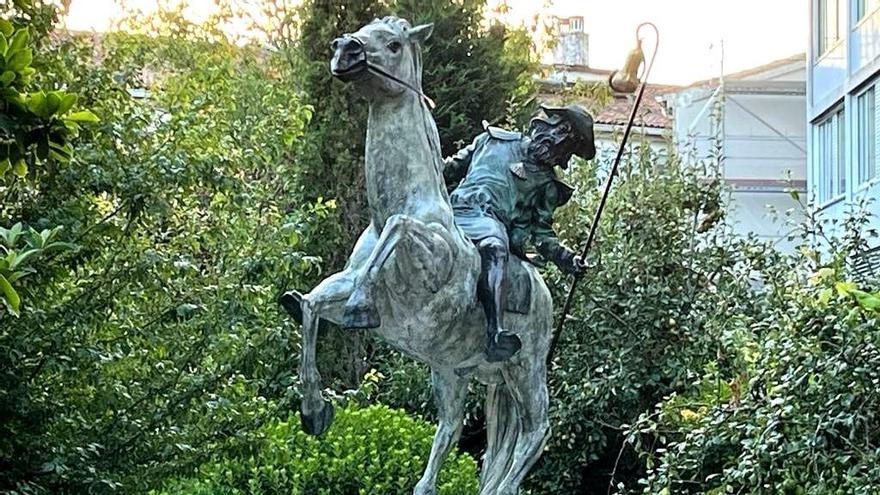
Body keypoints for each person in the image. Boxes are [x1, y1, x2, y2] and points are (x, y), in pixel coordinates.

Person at [443, 104, 596, 362]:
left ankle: (495, 331)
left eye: (567, 149)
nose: (559, 149)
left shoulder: (547, 185)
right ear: (551, 126)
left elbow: (541, 232)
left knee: (494, 248)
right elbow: (449, 169)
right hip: (452, 210)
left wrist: (566, 259)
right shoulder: (491, 139)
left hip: (491, 223)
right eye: (561, 137)